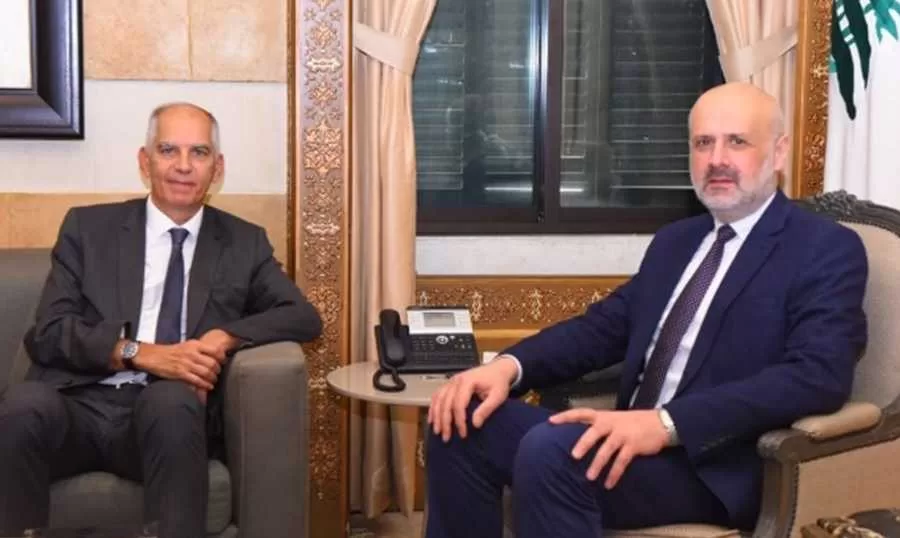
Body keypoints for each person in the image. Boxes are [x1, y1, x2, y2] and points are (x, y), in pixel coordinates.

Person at [425, 82, 869, 538]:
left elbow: (817, 375)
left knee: (552, 451)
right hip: (628, 440)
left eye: (737, 141)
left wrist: (666, 424)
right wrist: (507, 367)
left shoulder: (824, 248)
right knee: (457, 420)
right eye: (703, 143)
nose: (716, 159)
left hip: (711, 463)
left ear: (778, 153)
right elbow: (602, 329)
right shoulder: (676, 241)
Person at [0, 102, 323, 538]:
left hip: (164, 415)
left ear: (217, 168)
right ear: (145, 161)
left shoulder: (243, 243)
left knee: (171, 402)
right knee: (23, 406)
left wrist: (225, 336)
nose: (183, 166)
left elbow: (302, 316)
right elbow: (48, 332)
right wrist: (138, 353)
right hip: (77, 404)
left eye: (199, 152)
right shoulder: (88, 228)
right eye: (169, 150)